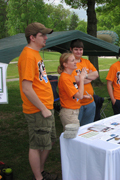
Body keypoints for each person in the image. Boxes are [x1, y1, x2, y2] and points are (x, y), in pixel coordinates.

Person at [18, 22, 57, 180]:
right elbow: (27, 88)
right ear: (32, 37)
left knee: (50, 140)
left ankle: (40, 171)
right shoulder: (28, 55)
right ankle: (38, 178)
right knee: (36, 145)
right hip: (38, 110)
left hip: (46, 107)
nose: (46, 38)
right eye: (43, 35)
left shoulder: (35, 53)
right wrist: (42, 108)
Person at [57, 53, 91, 130]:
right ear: (65, 64)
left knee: (72, 136)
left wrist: (84, 96)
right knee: (73, 137)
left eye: (75, 60)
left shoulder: (71, 75)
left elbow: (73, 93)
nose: (75, 62)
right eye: (72, 61)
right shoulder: (65, 78)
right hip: (69, 113)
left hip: (74, 111)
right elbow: (79, 95)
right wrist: (81, 78)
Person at [70, 39, 99, 126]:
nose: (79, 52)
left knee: (88, 127)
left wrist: (84, 77)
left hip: (90, 101)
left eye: (80, 49)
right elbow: (75, 80)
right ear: (71, 49)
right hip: (76, 103)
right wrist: (87, 77)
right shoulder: (69, 63)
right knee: (76, 129)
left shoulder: (86, 62)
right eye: (76, 49)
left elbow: (96, 74)